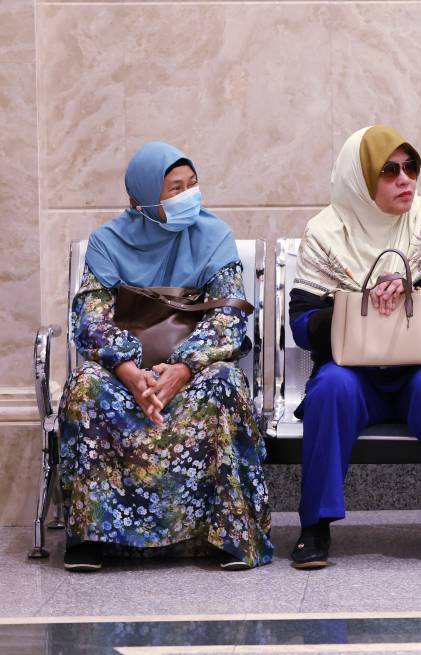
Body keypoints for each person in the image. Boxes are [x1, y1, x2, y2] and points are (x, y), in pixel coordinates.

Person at [288, 125, 421, 569]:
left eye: (411, 167)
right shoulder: (326, 233)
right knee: (330, 389)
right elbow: (302, 326)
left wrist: (416, 295)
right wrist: (357, 303)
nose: (405, 179)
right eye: (389, 170)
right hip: (354, 371)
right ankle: (315, 526)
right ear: (360, 179)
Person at [58, 141, 273, 572]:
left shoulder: (214, 236)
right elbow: (91, 320)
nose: (189, 196)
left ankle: (226, 536)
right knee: (84, 388)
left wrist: (182, 369)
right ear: (140, 202)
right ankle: (93, 537)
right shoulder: (107, 243)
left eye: (192, 184)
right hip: (126, 375)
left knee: (226, 382)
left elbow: (229, 318)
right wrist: (131, 373)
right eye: (175, 189)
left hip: (193, 373)